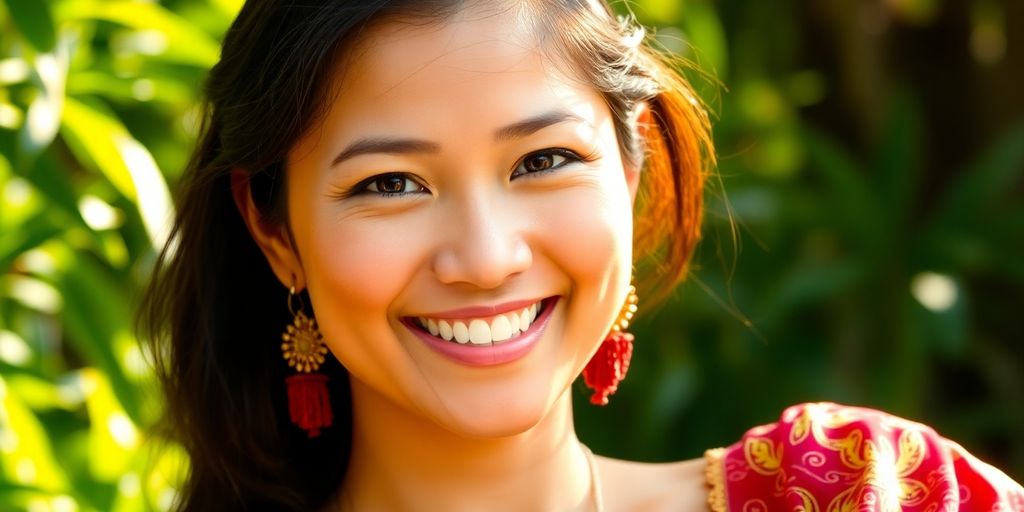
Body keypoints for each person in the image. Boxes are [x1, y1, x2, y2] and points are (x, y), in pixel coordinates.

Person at [140, 1, 1024, 510]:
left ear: (632, 170)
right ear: (274, 231)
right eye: (391, 184)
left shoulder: (858, 493)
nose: (485, 259)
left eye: (543, 162)